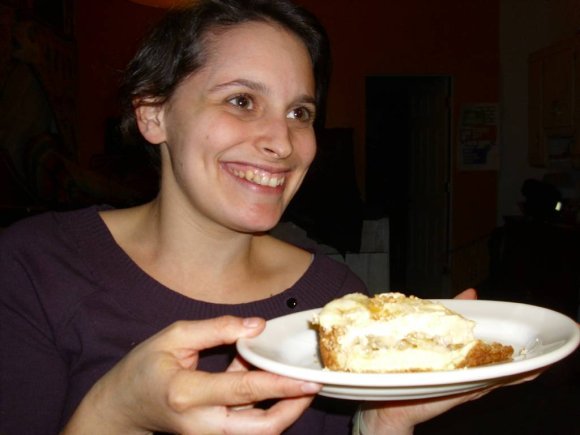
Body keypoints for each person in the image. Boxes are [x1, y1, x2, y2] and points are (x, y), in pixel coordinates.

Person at [0, 1, 537, 434]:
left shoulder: (335, 301)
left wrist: (379, 423)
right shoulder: (33, 267)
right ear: (153, 114)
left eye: (299, 112)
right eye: (240, 101)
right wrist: (114, 414)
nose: (283, 142)